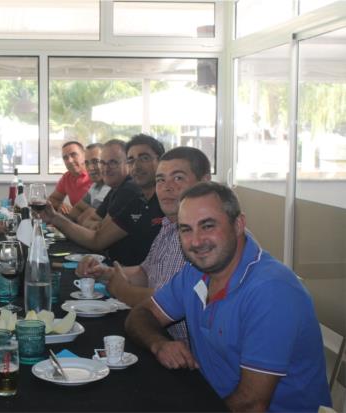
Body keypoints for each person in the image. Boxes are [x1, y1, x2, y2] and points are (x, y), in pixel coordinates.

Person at [125, 182, 331, 412]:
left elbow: (251, 404)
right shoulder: (195, 272)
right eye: (186, 229)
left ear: (238, 224)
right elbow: (140, 315)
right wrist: (159, 344)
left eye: (208, 226)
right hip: (212, 399)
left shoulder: (272, 291)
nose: (196, 241)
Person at [77, 146, 212, 342]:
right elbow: (146, 272)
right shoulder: (169, 225)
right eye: (161, 180)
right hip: (160, 335)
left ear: (204, 182)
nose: (166, 187)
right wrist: (105, 272)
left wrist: (122, 289)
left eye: (178, 178)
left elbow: (169, 300)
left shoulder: (206, 238)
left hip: (186, 350)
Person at [39, 136, 164, 266]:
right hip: (119, 268)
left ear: (161, 161)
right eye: (131, 160)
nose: (136, 166)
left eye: (144, 158)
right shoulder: (131, 195)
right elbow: (93, 230)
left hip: (124, 269)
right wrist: (54, 217)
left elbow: (97, 240)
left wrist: (55, 218)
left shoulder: (132, 191)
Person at [66, 143, 110, 226]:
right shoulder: (96, 185)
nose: (90, 168)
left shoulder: (109, 187)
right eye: (87, 163)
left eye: (95, 161)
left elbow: (87, 218)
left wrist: (63, 222)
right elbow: (78, 209)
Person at [48, 141, 92, 215]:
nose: (70, 161)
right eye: (65, 158)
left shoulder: (95, 175)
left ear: (84, 155)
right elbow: (52, 199)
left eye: (74, 155)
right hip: (76, 219)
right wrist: (60, 205)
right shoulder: (67, 177)